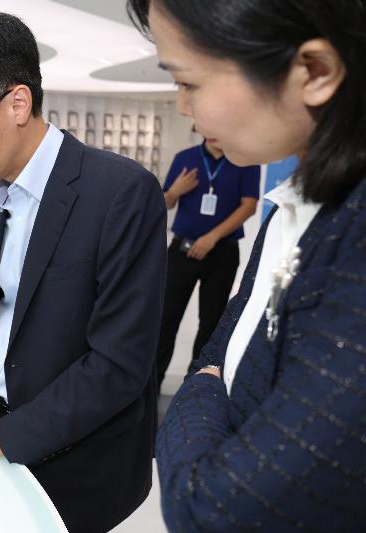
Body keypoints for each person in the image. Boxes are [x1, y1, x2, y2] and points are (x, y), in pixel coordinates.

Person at [0, 13, 167, 532]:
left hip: (74, 464)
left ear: (17, 103)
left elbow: (119, 365)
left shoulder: (120, 194)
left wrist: (4, 436)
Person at [127, 0, 366, 530]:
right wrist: (213, 377)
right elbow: (227, 340)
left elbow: (207, 507)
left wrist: (204, 386)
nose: (185, 110)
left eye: (188, 82)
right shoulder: (292, 205)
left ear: (313, 72)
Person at [156, 139, 259, 388]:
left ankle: (195, 388)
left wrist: (212, 237)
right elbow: (165, 203)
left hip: (222, 251)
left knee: (211, 322)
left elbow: (249, 206)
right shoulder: (185, 157)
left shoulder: (245, 158)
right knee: (165, 318)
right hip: (183, 250)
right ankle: (151, 385)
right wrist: (174, 191)